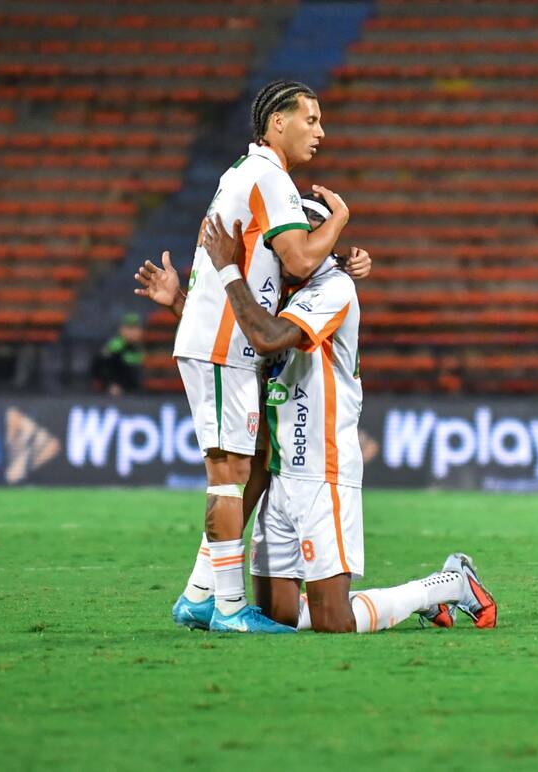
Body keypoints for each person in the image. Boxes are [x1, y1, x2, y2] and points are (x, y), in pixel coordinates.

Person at [204, 198, 497, 632]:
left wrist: (228, 270)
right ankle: (341, 597)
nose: (287, 249)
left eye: (299, 238)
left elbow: (267, 337)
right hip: (280, 472)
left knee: (334, 624)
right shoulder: (283, 288)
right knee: (277, 617)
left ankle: (447, 584)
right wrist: (178, 302)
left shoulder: (334, 287)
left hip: (324, 471)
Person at [144, 79, 365, 633]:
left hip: (221, 339)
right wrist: (339, 221)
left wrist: (340, 257)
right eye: (311, 119)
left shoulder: (241, 174)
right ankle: (226, 608)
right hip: (227, 346)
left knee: (255, 463)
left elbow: (283, 267)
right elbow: (299, 259)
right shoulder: (269, 177)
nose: (321, 131)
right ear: (277, 124)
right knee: (230, 474)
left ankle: (200, 594)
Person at [91, 312, 144, 395]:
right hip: (115, 389)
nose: (132, 332)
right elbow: (101, 365)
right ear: (121, 329)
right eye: (129, 328)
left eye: (135, 328)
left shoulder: (140, 346)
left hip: (135, 389)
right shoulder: (115, 346)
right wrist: (111, 384)